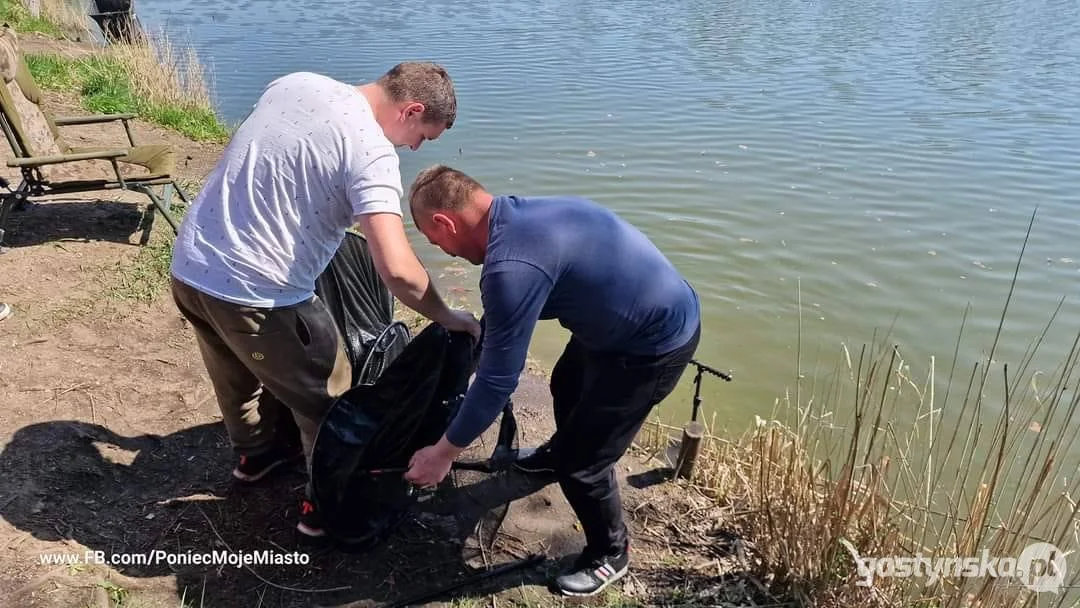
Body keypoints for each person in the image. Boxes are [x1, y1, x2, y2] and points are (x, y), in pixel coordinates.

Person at [169, 64, 480, 539]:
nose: (414, 147)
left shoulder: (296, 82)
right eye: (421, 135)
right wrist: (447, 315)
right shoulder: (372, 151)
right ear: (412, 109)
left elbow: (287, 161)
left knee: (236, 373)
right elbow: (397, 269)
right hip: (260, 294)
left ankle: (256, 457)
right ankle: (322, 506)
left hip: (191, 267)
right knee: (332, 402)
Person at [403, 165, 701, 596]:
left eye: (434, 242)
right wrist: (481, 339)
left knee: (585, 465)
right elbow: (529, 295)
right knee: (565, 385)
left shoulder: (509, 267)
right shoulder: (521, 217)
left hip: (654, 345)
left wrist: (443, 453)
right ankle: (555, 454)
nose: (442, 251)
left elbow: (497, 383)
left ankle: (611, 553)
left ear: (445, 223)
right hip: (617, 322)